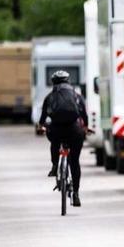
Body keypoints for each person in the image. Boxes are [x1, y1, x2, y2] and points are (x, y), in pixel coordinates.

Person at [38, 70, 89, 207]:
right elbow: (84, 114)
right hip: (74, 130)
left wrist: (42, 127)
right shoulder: (76, 95)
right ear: (68, 81)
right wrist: (85, 127)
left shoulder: (49, 97)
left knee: (54, 142)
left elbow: (43, 118)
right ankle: (76, 194)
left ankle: (55, 166)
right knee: (75, 161)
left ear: (53, 82)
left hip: (57, 129)